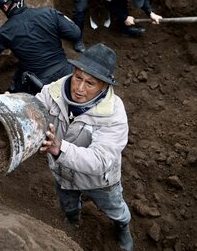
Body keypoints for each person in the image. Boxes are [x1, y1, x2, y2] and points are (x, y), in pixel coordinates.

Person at [35, 43, 133, 251]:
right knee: (67, 203)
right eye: (78, 77)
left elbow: (100, 160)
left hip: (99, 180)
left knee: (114, 207)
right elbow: (34, 111)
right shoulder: (52, 92)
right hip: (62, 171)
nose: (80, 88)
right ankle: (73, 219)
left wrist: (59, 148)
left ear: (104, 86)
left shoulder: (114, 114)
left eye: (90, 83)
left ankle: (122, 225)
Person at [0, 0, 86, 95]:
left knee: (17, 88)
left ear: (5, 6)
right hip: (68, 74)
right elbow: (75, 33)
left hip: (41, 86)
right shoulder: (49, 13)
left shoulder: (5, 32)